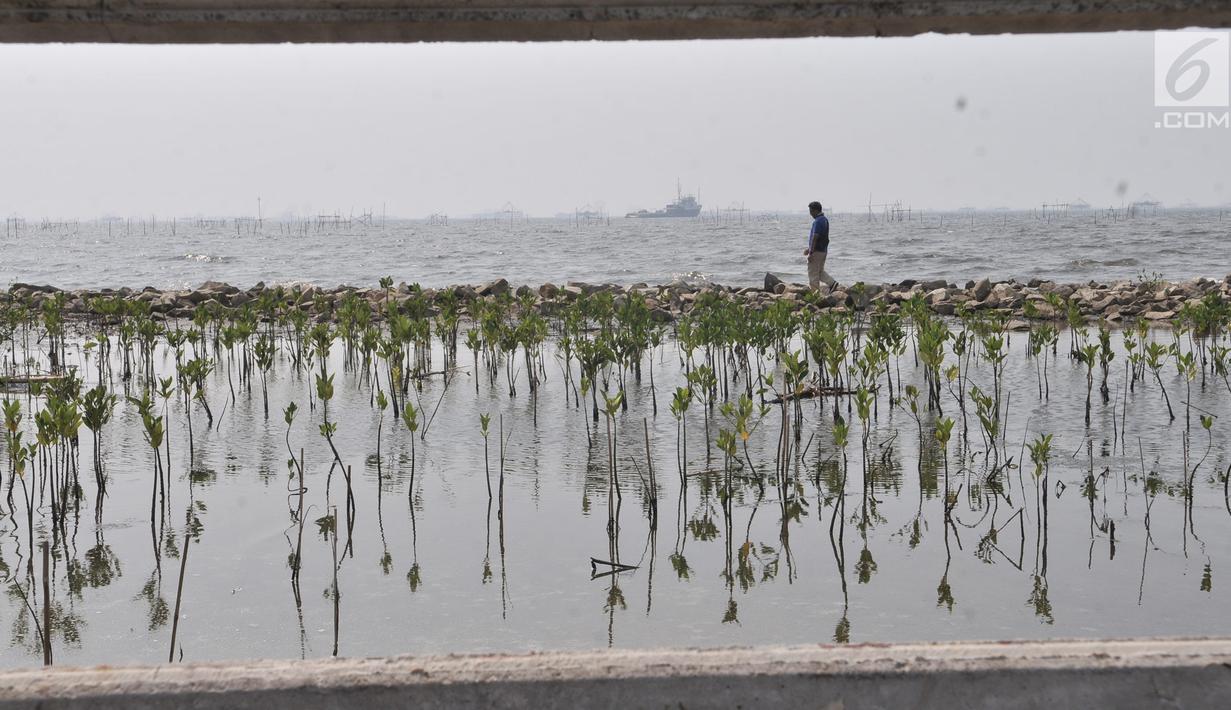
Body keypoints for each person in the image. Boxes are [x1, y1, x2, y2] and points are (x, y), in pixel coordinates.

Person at [803, 201, 838, 291]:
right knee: (820, 272)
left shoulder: (817, 221)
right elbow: (821, 238)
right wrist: (809, 248)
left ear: (815, 210)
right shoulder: (824, 220)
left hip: (816, 252)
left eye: (811, 211)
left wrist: (811, 252)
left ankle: (815, 294)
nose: (810, 214)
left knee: (813, 273)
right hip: (823, 251)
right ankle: (832, 283)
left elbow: (815, 237)